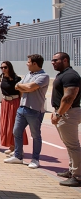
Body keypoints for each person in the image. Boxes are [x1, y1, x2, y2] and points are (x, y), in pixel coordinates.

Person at [4, 54, 49, 169]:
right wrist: (24, 86)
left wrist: (24, 87)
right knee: (16, 132)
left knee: (35, 135)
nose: (26, 64)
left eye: (28, 62)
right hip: (22, 108)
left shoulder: (44, 76)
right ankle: (18, 156)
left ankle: (35, 159)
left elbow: (29, 87)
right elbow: (17, 86)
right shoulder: (28, 74)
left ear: (34, 64)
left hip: (35, 110)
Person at [51, 52, 81, 187]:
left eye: (55, 60)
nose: (53, 62)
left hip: (67, 113)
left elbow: (69, 97)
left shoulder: (70, 75)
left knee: (73, 146)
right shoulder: (64, 74)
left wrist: (59, 114)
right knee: (69, 145)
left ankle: (78, 176)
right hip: (64, 112)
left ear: (65, 60)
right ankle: (72, 170)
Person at [0, 61, 28, 154]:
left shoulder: (17, 79)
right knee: (6, 124)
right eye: (2, 67)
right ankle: (11, 146)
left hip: (14, 102)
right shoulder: (3, 78)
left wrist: (22, 104)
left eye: (5, 67)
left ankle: (19, 148)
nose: (3, 69)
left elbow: (21, 93)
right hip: (5, 103)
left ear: (10, 68)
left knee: (14, 124)